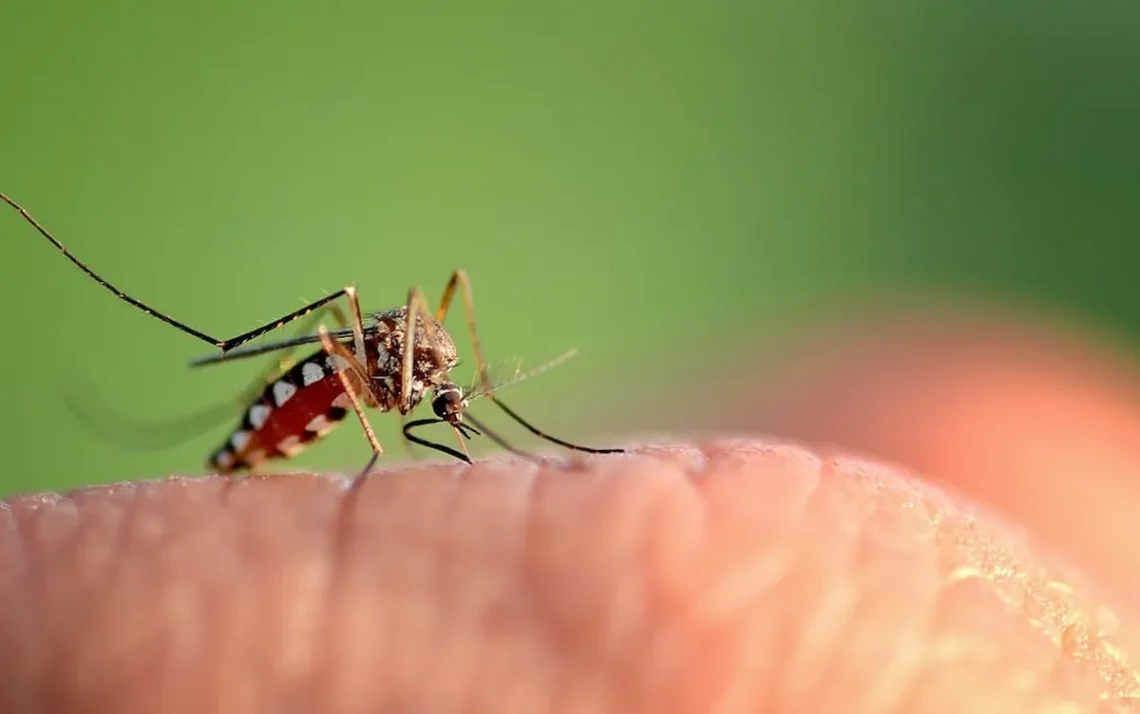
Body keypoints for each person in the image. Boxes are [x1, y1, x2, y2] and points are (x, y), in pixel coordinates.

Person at [2, 310, 1138, 712]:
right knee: (354, 320)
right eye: (455, 396)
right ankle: (213, 366)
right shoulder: (396, 370)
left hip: (354, 389)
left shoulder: (438, 379)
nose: (452, 406)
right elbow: (376, 356)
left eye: (457, 398)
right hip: (322, 381)